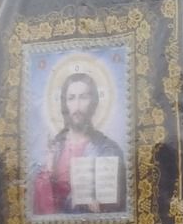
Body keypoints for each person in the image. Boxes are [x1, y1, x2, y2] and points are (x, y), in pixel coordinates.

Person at [32, 70, 126, 216]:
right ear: (65, 104)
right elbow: (41, 205)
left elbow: (119, 203)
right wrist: (48, 170)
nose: (77, 106)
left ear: (93, 103)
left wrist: (103, 205)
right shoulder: (54, 148)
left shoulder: (108, 149)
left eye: (83, 97)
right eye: (71, 98)